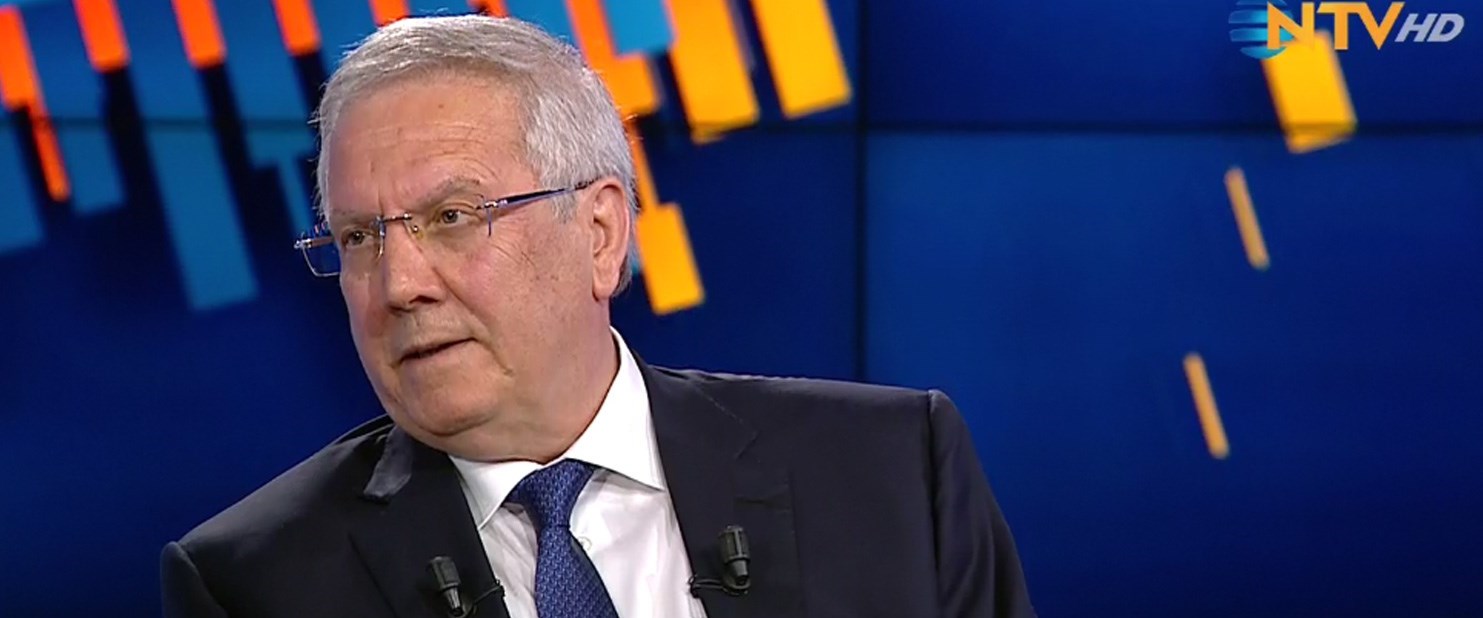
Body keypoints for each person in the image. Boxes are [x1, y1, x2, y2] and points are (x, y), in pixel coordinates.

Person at [160, 13, 1035, 618]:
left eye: (452, 217)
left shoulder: (892, 472)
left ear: (601, 233)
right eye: (359, 237)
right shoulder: (253, 582)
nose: (398, 284)